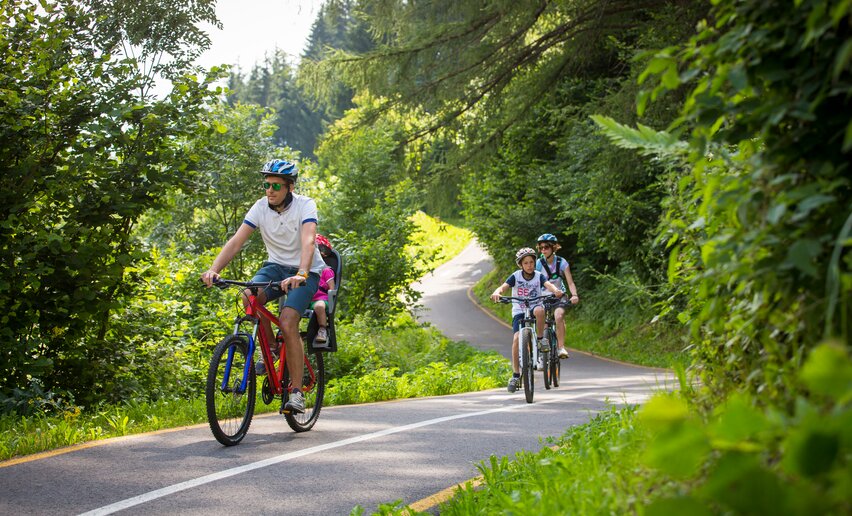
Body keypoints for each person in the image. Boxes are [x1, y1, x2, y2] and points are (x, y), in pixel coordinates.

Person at [200, 159, 327, 414]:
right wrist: (215, 270)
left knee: (289, 320)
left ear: (289, 187)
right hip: (275, 266)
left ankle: (296, 392)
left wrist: (302, 273)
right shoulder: (260, 207)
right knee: (249, 297)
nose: (269, 190)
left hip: (305, 271)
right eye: (266, 185)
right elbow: (237, 241)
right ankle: (269, 347)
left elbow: (309, 241)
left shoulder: (305, 205)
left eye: (275, 186)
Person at [490, 247, 565, 393]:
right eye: (526, 263)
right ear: (521, 265)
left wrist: (555, 291)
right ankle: (516, 375)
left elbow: (548, 285)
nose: (529, 265)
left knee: (540, 310)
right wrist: (497, 292)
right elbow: (503, 287)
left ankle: (541, 338)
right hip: (519, 310)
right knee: (517, 339)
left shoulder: (538, 276)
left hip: (534, 305)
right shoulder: (516, 276)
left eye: (531, 262)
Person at [535, 233, 579, 359]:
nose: (543, 250)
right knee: (542, 321)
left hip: (559, 296)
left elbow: (570, 282)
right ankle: (542, 350)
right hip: (542, 296)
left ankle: (561, 347)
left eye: (546, 247)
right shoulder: (538, 263)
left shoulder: (561, 262)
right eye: (541, 248)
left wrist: (574, 295)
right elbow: (535, 282)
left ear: (553, 248)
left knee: (558, 316)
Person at [311, 234, 336, 344]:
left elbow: (332, 288)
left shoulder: (326, 270)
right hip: (305, 298)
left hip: (320, 299)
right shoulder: (303, 270)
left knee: (319, 306)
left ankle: (322, 329)